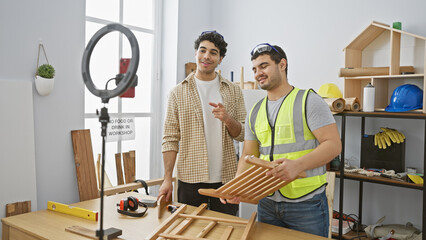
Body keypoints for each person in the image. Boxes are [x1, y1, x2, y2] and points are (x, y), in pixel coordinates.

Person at [222, 43, 341, 237]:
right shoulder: (256, 111)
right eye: (254, 69)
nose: (258, 73)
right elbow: (248, 154)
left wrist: (298, 165)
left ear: (282, 65)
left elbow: (334, 145)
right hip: (267, 202)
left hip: (306, 204)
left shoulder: (308, 100)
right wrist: (238, 186)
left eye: (263, 66)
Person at [158, 31, 246, 215]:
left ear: (220, 59)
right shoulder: (177, 93)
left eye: (213, 52)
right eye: (202, 50)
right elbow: (170, 138)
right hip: (189, 179)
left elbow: (243, 133)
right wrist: (167, 179)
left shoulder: (233, 91)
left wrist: (227, 118)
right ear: (196, 54)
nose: (207, 56)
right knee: (189, 231)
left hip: (227, 179)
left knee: (225, 232)